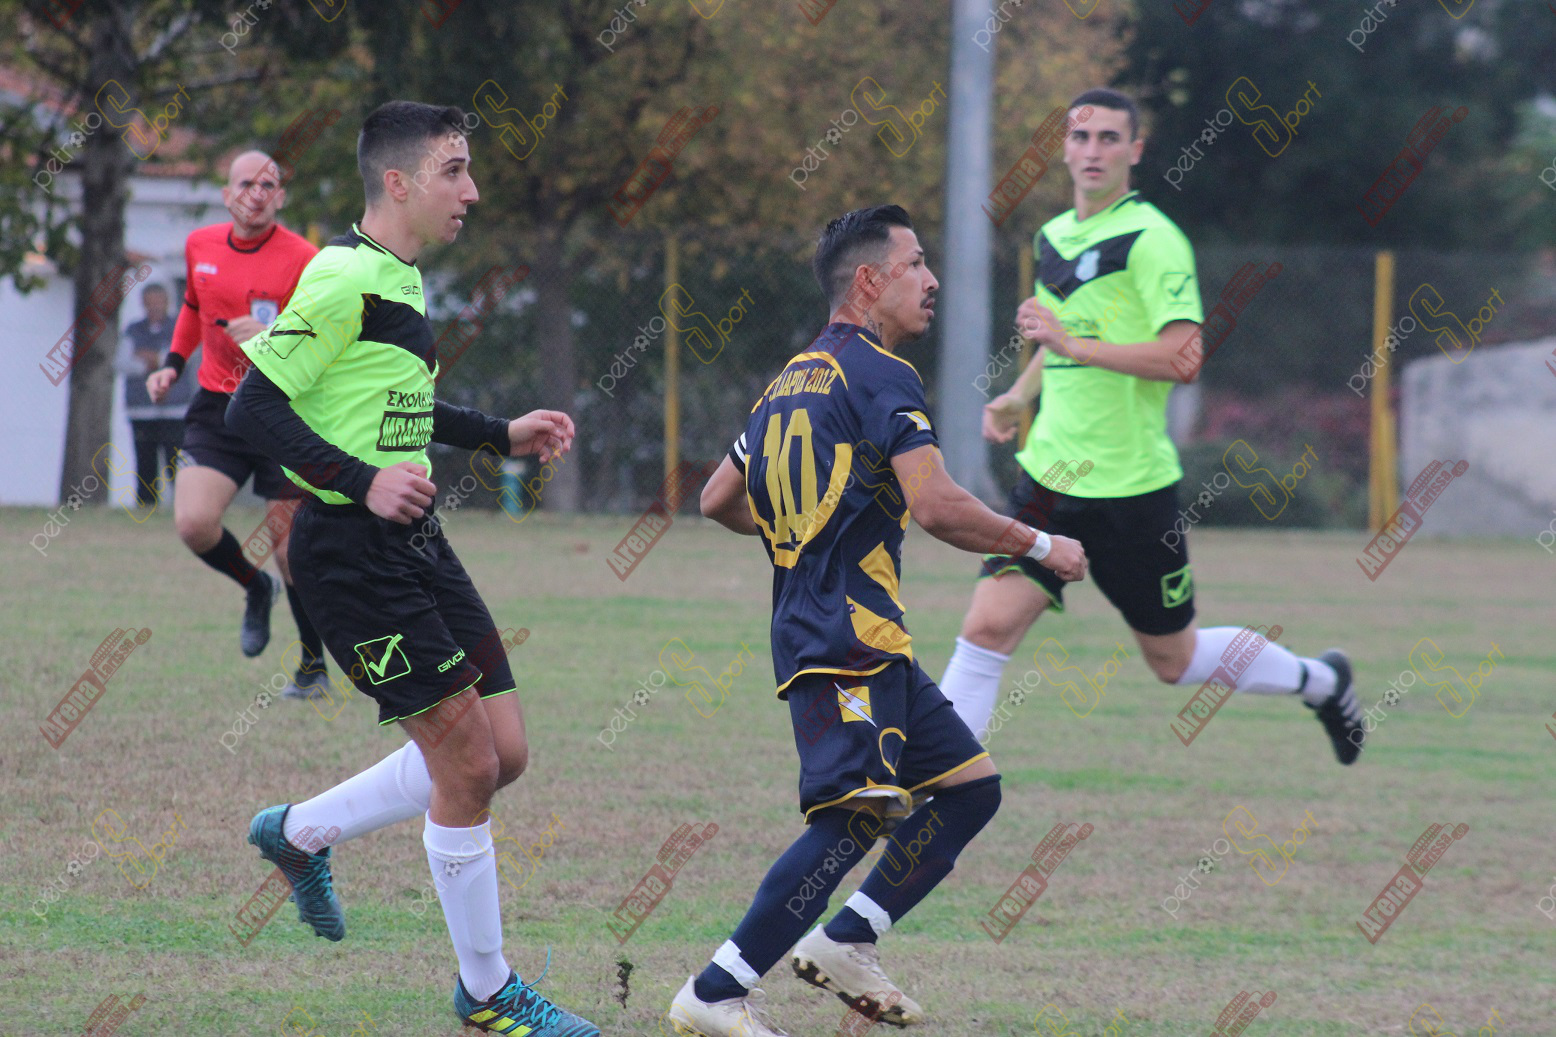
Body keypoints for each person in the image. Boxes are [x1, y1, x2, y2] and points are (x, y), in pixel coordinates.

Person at [225, 100, 600, 1037]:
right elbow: (253, 407)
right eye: (454, 171)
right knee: (467, 763)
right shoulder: (342, 274)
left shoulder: (399, 278)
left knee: (502, 752)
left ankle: (298, 831)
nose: (471, 191)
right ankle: (487, 993)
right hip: (349, 555)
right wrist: (360, 481)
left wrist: (499, 433)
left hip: (418, 541)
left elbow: (399, 409)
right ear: (398, 182)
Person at [669, 205, 1087, 1037]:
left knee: (969, 788)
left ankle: (846, 940)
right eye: (916, 264)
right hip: (845, 636)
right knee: (852, 817)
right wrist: (1040, 543)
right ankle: (715, 990)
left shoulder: (791, 378)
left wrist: (796, 531)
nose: (931, 280)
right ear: (868, 281)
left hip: (856, 638)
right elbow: (936, 505)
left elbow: (717, 497)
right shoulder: (881, 373)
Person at [937, 88, 1363, 764]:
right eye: (1081, 137)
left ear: (1134, 151)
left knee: (1175, 660)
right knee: (986, 628)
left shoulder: (1154, 239)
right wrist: (1020, 393)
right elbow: (1060, 335)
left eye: (1109, 138)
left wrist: (1074, 346)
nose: (1093, 150)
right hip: (1049, 479)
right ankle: (937, 787)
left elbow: (1183, 358)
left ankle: (1323, 681)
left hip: (1132, 491)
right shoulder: (1053, 237)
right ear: (1064, 148)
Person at [145, 150, 328, 699]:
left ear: (280, 197)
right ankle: (255, 588)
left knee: (289, 550)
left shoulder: (305, 259)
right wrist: (173, 364)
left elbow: (322, 341)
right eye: (246, 183)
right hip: (219, 405)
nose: (256, 193)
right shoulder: (200, 245)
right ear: (228, 195)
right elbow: (192, 308)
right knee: (193, 524)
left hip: (284, 408)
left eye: (268, 185)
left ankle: (312, 667)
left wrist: (270, 340)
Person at [119, 283, 195, 506]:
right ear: (143, 304)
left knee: (176, 462)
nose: (154, 307)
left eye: (158, 301)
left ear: (167, 302)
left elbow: (183, 358)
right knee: (145, 462)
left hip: (175, 410)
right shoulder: (133, 330)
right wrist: (155, 362)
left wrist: (152, 359)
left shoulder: (180, 327)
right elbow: (122, 362)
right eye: (150, 302)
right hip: (141, 410)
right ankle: (146, 507)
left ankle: (182, 506)